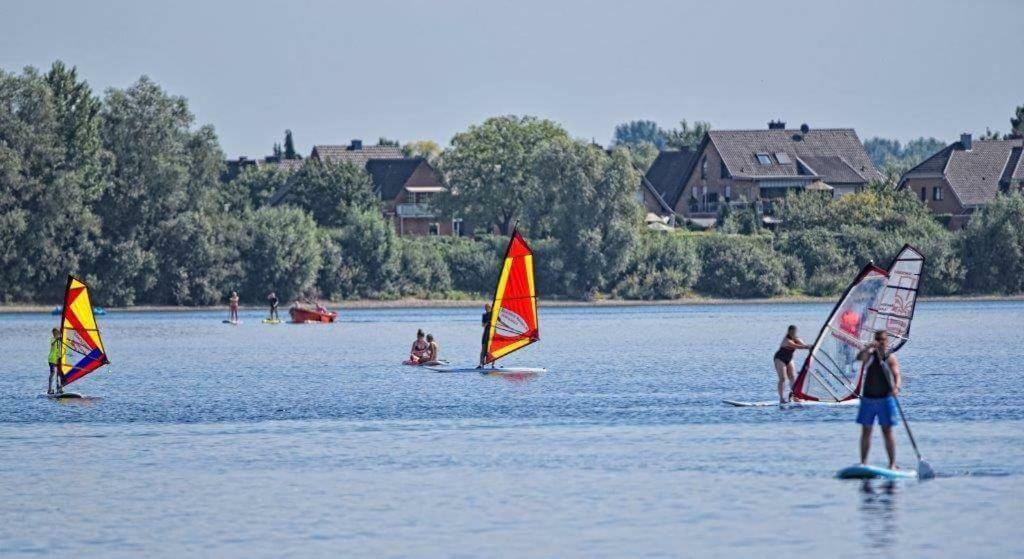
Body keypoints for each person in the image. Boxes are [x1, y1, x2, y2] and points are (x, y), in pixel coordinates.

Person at [856, 330, 901, 469]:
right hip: (868, 399)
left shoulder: (890, 357)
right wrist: (868, 347)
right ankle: (863, 463)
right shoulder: (869, 356)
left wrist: (896, 388)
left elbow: (897, 375)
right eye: (877, 339)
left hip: (885, 399)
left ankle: (892, 464)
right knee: (866, 431)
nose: (880, 341)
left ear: (886, 341)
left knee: (887, 431)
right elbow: (859, 357)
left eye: (882, 339)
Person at [774, 325, 810, 403]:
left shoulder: (797, 339)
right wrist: (806, 347)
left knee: (793, 377)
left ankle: (794, 397)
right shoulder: (786, 340)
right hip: (779, 358)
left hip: (789, 359)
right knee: (783, 378)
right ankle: (782, 398)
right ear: (789, 332)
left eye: (794, 332)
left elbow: (803, 345)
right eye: (791, 332)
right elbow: (797, 346)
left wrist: (810, 346)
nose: (792, 333)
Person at [48, 328, 64, 395]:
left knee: (59, 374)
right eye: (54, 333)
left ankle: (59, 388)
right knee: (52, 373)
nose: (55, 334)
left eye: (56, 333)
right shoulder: (53, 339)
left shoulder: (60, 340)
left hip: (58, 358)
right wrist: (57, 339)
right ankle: (49, 389)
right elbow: (52, 344)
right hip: (52, 359)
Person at [477, 303, 492, 368]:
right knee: (483, 349)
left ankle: (493, 365)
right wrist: (487, 323)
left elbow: (499, 321)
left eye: (487, 307)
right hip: (486, 333)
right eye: (485, 308)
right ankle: (481, 364)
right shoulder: (484, 315)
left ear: (490, 307)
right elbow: (483, 325)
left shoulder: (494, 314)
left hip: (492, 333)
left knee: (492, 348)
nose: (486, 309)